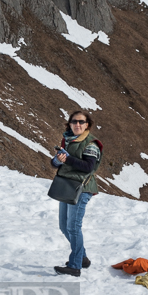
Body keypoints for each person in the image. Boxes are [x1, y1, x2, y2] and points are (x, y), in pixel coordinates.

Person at [51, 111, 103, 277]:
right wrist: (58, 160)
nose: (77, 124)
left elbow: (89, 167)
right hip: (67, 186)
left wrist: (68, 159)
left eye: (81, 122)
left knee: (73, 227)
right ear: (70, 123)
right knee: (64, 225)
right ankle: (82, 258)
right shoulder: (67, 140)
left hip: (82, 188)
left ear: (87, 124)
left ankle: (75, 266)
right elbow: (56, 163)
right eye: (74, 121)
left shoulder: (91, 144)